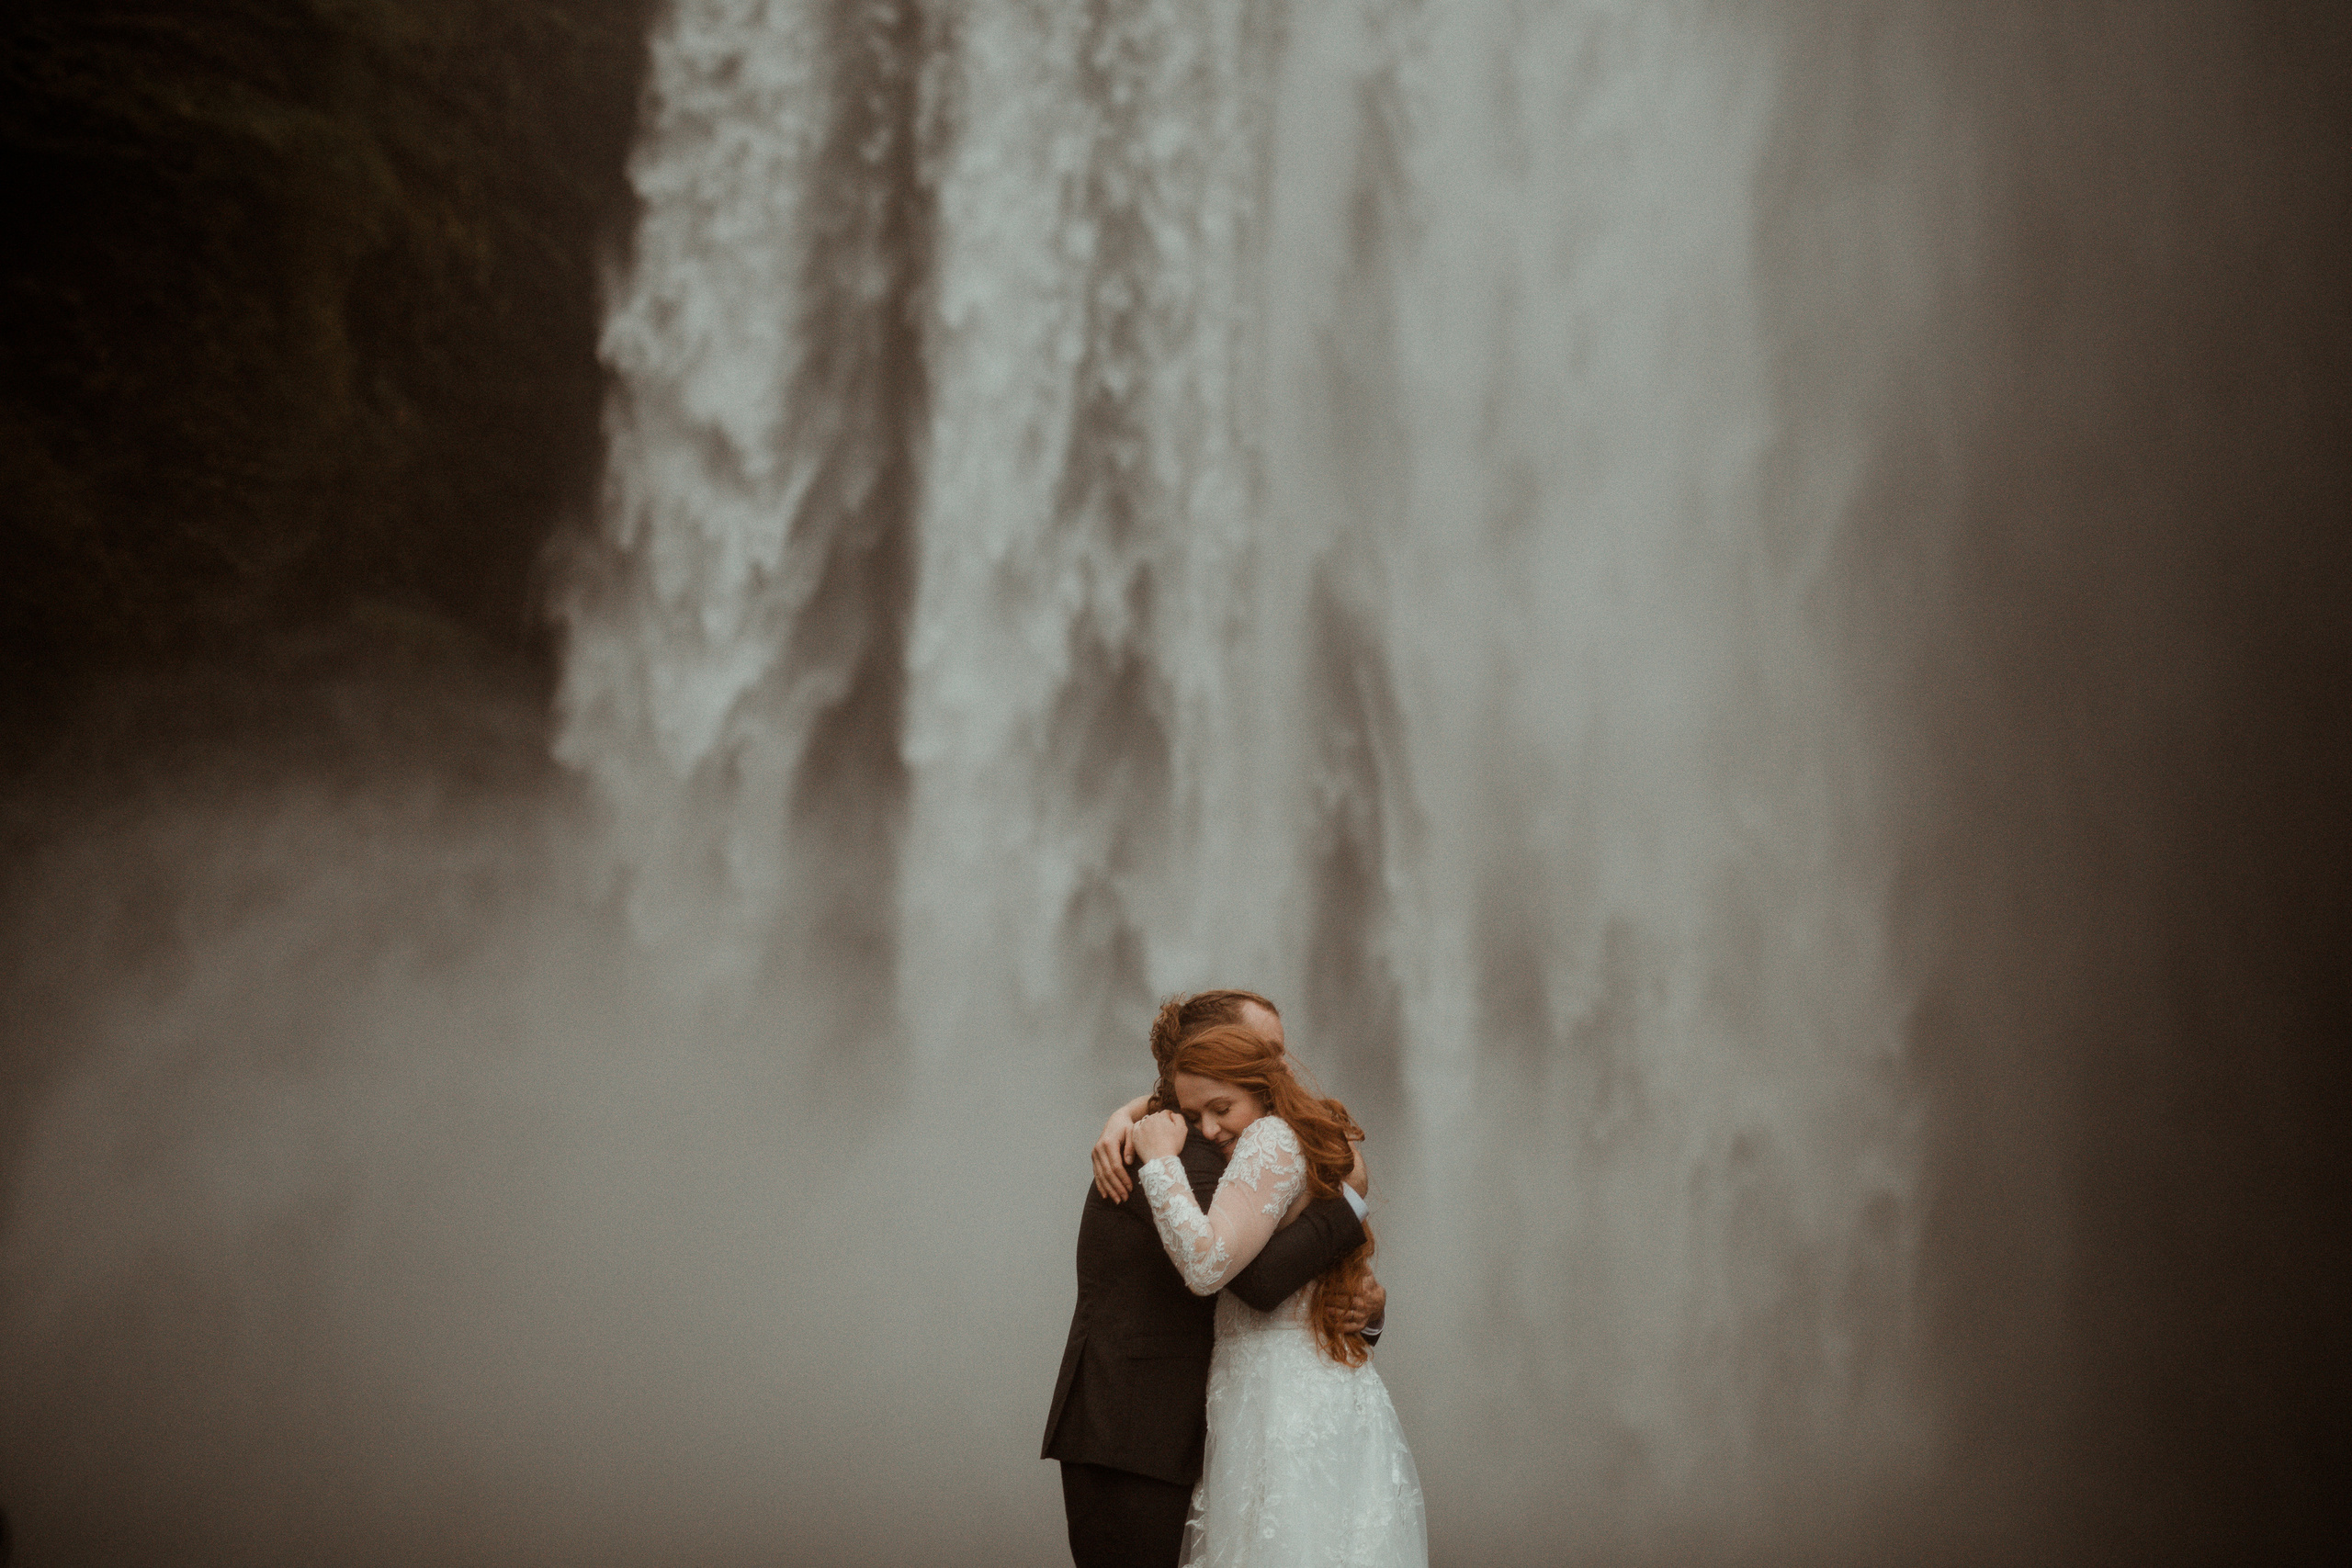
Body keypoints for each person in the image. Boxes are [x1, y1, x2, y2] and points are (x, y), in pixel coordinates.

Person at [1042, 991, 1385, 1568]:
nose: (1280, 1068)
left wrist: (1367, 1310)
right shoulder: (1180, 1152)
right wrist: (1348, 1204)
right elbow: (1255, 1279)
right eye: (1265, 1052)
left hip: (1203, 1432)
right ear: (1216, 1056)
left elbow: (1289, 1286)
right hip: (1137, 1437)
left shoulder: (1216, 1140)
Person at [1129, 1015, 1427, 1567]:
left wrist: (1161, 1162)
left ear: (1264, 1092)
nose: (1210, 1129)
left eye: (1222, 1109)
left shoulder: (1268, 1137)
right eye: (1195, 1117)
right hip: (1294, 1383)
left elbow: (1206, 1264)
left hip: (1282, 1396)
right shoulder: (1290, 1138)